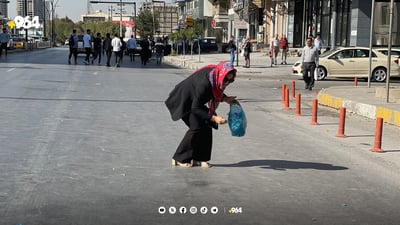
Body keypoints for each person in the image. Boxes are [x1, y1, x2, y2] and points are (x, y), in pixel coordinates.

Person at [165, 61, 237, 168]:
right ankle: (179, 158)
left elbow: (214, 91)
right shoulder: (205, 83)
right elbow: (195, 108)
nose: (227, 82)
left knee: (207, 125)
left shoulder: (214, 77)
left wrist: (226, 98)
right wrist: (214, 117)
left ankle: (200, 158)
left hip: (193, 101)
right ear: (221, 75)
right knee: (196, 126)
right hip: (182, 101)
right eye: (226, 79)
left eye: (231, 80)